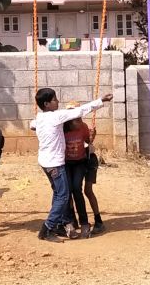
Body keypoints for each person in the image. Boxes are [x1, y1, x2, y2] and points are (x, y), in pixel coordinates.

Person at [33, 88, 112, 242]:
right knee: (63, 196)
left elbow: (32, 124)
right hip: (55, 164)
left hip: (45, 162)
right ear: (47, 104)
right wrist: (101, 100)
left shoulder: (41, 118)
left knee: (59, 193)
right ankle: (47, 228)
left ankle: (60, 224)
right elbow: (81, 110)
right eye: (55, 99)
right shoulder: (56, 117)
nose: (57, 102)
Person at [63, 114, 96, 238]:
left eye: (81, 119)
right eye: (77, 120)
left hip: (80, 162)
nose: (80, 122)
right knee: (67, 191)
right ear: (69, 121)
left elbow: (88, 141)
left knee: (77, 189)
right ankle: (70, 222)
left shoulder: (83, 127)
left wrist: (92, 135)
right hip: (65, 163)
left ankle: (84, 223)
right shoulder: (61, 129)